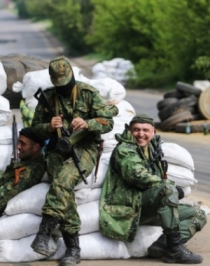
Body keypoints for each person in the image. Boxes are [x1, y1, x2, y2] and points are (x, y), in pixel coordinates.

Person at [30, 56, 118, 266]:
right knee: (63, 188)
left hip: (85, 147)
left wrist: (87, 123)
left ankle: (45, 232)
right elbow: (35, 128)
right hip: (58, 148)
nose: (63, 88)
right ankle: (73, 248)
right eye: (59, 84)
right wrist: (49, 127)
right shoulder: (48, 98)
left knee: (62, 181)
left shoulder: (88, 93)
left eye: (66, 83)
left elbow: (108, 122)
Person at [99, 113, 207, 264]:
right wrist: (173, 188)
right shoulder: (125, 150)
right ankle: (176, 249)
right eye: (136, 130)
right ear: (130, 131)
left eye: (145, 130)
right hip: (129, 206)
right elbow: (137, 174)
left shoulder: (153, 149)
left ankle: (164, 246)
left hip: (151, 205)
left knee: (198, 214)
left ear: (153, 132)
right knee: (167, 190)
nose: (141, 134)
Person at [0, 127, 46, 215]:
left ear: (36, 147)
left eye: (23, 144)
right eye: (18, 142)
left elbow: (3, 198)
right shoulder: (27, 161)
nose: (18, 146)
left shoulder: (29, 172)